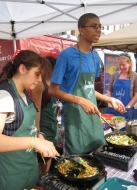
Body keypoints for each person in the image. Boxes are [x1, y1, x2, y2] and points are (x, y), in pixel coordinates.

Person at [49, 13, 126, 156]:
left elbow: (88, 89)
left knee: (95, 159)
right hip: (74, 119)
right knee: (74, 164)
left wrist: (109, 99)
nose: (99, 30)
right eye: (94, 26)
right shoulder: (66, 55)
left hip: (92, 119)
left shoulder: (94, 57)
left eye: (100, 27)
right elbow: (53, 90)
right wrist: (80, 100)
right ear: (81, 30)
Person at [0, 50, 59, 190]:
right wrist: (34, 142)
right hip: (11, 178)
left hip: (29, 172)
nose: (40, 80)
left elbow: (28, 127)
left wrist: (40, 136)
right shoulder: (5, 96)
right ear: (22, 69)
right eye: (37, 74)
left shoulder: (25, 92)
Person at [32, 56, 61, 174]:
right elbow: (37, 109)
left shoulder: (54, 84)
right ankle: (40, 179)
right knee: (41, 158)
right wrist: (38, 131)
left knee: (50, 155)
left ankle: (46, 176)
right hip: (43, 126)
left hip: (53, 125)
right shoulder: (41, 85)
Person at [106, 53, 137, 120]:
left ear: (130, 63)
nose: (121, 67)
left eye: (124, 65)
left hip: (126, 110)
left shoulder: (135, 76)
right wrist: (109, 104)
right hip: (113, 108)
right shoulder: (114, 75)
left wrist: (128, 107)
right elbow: (109, 90)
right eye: (120, 65)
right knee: (111, 129)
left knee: (124, 129)